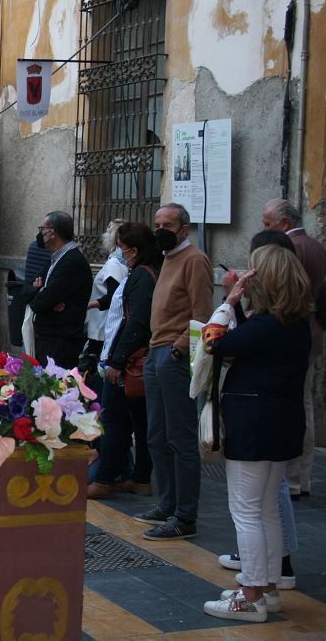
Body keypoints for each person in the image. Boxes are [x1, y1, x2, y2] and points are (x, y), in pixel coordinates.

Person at [201, 244, 311, 623]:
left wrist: (229, 302)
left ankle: (249, 596)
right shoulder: (293, 325)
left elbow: (213, 341)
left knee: (247, 513)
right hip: (280, 426)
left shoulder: (268, 327)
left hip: (254, 425)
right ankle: (267, 589)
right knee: (266, 511)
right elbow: (249, 340)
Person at [135, 202, 213, 541]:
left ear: (184, 228)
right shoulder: (167, 258)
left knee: (180, 438)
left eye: (168, 224)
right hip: (156, 352)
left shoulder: (194, 260)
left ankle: (185, 516)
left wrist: (179, 349)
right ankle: (166, 503)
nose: (161, 229)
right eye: (157, 223)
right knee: (156, 434)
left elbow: (202, 314)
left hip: (173, 355)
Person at [258, 198, 326, 500]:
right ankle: (302, 478)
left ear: (284, 224)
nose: (264, 229)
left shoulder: (289, 250)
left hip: (291, 334)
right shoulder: (317, 247)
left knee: (292, 406)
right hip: (312, 334)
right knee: (305, 404)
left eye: (268, 224)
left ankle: (290, 479)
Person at [87, 222, 160, 500]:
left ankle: (106, 478)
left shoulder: (142, 275)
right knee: (137, 421)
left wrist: (117, 361)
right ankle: (140, 477)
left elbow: (136, 322)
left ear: (134, 249)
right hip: (125, 357)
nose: (120, 252)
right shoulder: (139, 273)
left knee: (114, 419)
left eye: (122, 247)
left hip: (126, 361)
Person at [28, 211, 92, 369]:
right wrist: (40, 293)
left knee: (56, 391)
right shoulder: (55, 259)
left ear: (52, 232)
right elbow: (28, 292)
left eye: (42, 228)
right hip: (49, 338)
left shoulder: (72, 261)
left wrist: (42, 295)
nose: (40, 233)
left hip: (61, 341)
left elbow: (40, 303)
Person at [83, 219, 129, 374]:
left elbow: (112, 297)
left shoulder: (114, 263)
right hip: (105, 325)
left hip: (102, 326)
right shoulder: (120, 261)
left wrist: (89, 305)